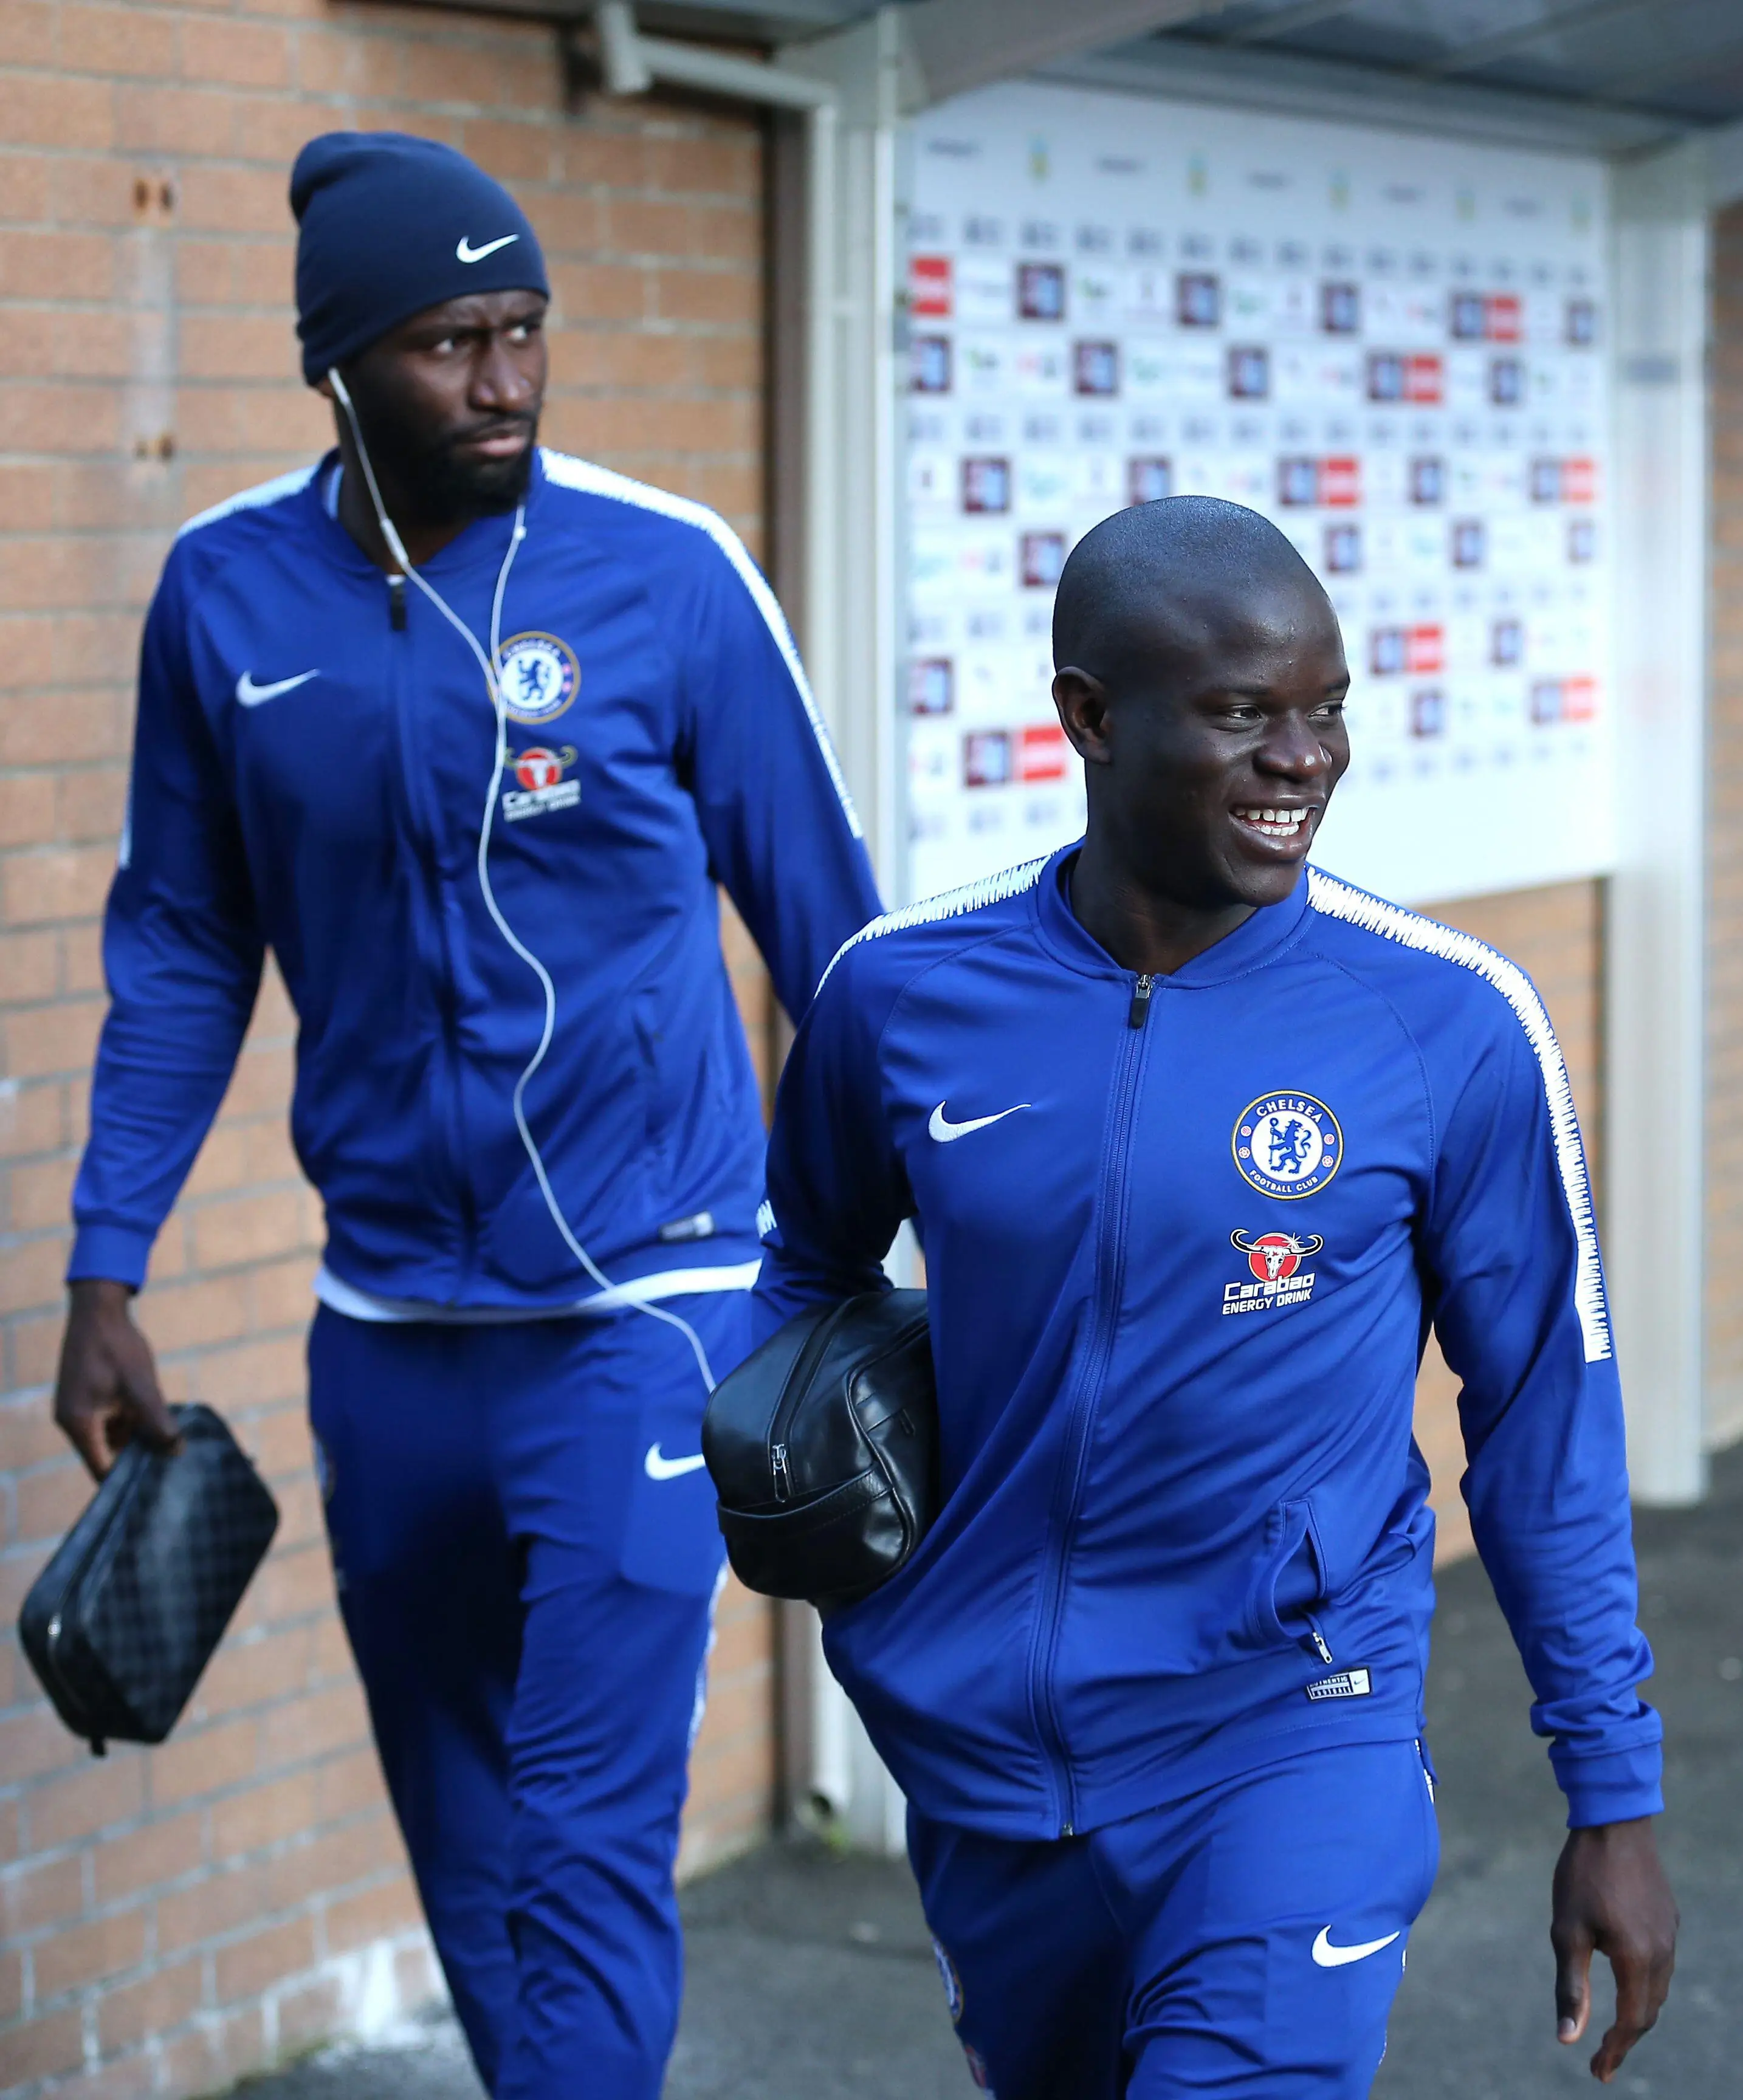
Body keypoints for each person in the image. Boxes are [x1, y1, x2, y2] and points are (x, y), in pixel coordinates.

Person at [52, 133, 881, 2100]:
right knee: (469, 1840)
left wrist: (818, 1277)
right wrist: (106, 1261)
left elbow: (839, 948)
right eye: (450, 343)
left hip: (646, 1311)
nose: (506, 381)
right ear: (336, 366)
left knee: (588, 1845)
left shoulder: (665, 575)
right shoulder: (227, 597)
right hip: (389, 1345)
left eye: (525, 332)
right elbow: (182, 942)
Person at [754, 496, 1677, 2097]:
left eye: (1323, 711)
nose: (1300, 759)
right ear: (1090, 721)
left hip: (1289, 1724)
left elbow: (1540, 1423)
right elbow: (803, 1264)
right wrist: (819, 1501)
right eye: (1244, 714)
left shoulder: (1447, 1025)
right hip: (987, 1756)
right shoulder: (901, 996)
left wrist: (1611, 1791)